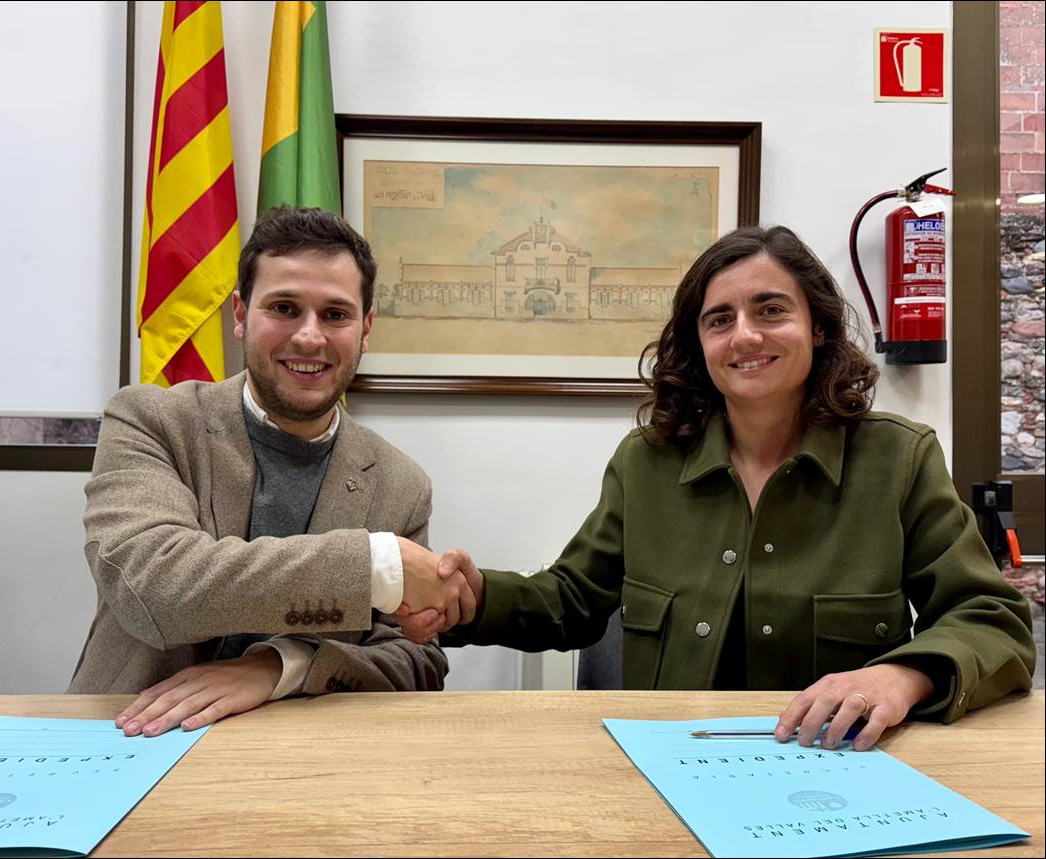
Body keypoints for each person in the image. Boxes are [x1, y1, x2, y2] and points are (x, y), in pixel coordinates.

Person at [398, 225, 1035, 752]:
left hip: (840, 770)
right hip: (672, 764)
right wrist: (472, 597)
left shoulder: (899, 459)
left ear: (817, 327)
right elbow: (571, 601)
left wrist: (902, 677)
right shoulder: (646, 464)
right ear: (700, 344)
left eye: (771, 310)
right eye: (719, 320)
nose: (745, 335)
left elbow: (993, 620)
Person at [68, 205, 475, 735]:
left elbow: (416, 662)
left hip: (305, 753)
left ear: (366, 328)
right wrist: (375, 566)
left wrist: (282, 666)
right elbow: (151, 586)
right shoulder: (150, 421)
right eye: (284, 308)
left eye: (336, 315)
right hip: (130, 734)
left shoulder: (401, 483)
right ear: (240, 314)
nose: (309, 337)